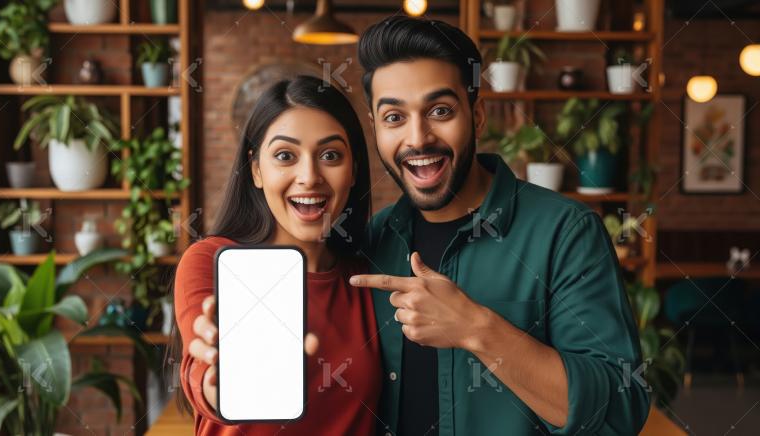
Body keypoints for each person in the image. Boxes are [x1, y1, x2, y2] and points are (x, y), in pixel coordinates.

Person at [349, 16, 650, 435]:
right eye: (394, 117)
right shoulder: (372, 241)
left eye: (440, 111)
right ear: (376, 128)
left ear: (478, 115)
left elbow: (621, 407)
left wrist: (476, 328)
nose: (418, 138)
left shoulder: (566, 232)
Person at [171, 75, 381, 435]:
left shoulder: (369, 276)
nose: (309, 177)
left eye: (330, 155)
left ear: (354, 171)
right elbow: (201, 370)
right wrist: (218, 380)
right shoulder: (212, 260)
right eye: (285, 156)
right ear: (256, 170)